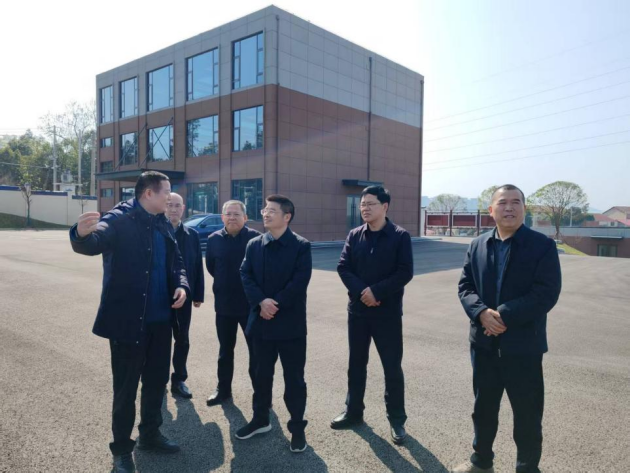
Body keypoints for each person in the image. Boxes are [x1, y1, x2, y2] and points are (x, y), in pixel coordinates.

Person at [69, 171, 190, 473]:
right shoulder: (119, 218)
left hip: (161, 323)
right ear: (148, 193)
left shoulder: (162, 222)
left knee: (156, 383)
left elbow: (177, 262)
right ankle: (122, 449)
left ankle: (150, 435)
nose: (170, 198)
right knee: (125, 390)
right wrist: (80, 234)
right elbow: (93, 241)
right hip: (128, 324)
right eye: (166, 192)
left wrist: (181, 285)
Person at [451, 184, 562, 473]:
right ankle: (481, 461)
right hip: (484, 344)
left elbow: (546, 292)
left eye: (515, 202)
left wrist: (502, 315)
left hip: (523, 346)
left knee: (527, 413)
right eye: (502, 203)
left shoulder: (542, 246)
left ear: (525, 208)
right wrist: (480, 313)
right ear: (491, 210)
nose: (509, 207)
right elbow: (465, 286)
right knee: (483, 408)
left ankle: (527, 467)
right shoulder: (477, 245)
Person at [331, 185, 414, 445]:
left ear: (385, 206)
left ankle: (397, 419)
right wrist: (363, 292)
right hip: (358, 312)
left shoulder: (400, 236)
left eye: (371, 204)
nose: (365, 208)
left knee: (392, 367)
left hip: (387, 314)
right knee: (356, 364)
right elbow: (343, 267)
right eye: (362, 204)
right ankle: (354, 412)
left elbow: (404, 272)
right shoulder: (355, 235)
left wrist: (376, 292)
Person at [236, 195, 312, 454]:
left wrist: (273, 304)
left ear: (287, 216)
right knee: (260, 375)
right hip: (260, 324)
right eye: (264, 210)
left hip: (290, 326)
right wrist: (261, 301)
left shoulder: (301, 246)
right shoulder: (254, 244)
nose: (265, 214)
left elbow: (299, 281)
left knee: (294, 379)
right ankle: (260, 419)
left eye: (272, 210)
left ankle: (297, 428)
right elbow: (245, 274)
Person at [205, 200, 261, 406]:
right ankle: (223, 390)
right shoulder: (213, 239)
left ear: (245, 217)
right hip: (224, 305)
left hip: (250, 306)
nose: (232, 218)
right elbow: (212, 267)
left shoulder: (256, 239)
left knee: (256, 351)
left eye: (237, 214)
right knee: (225, 350)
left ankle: (261, 393)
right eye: (228, 214)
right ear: (222, 217)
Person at [166, 193, 205, 399]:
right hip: (159, 296)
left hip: (184, 297)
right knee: (159, 340)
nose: (173, 209)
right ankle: (156, 379)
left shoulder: (192, 235)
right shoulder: (156, 232)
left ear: (183, 208)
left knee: (182, 339)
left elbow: (197, 265)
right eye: (169, 205)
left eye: (177, 205)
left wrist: (198, 294)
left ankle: (179, 379)